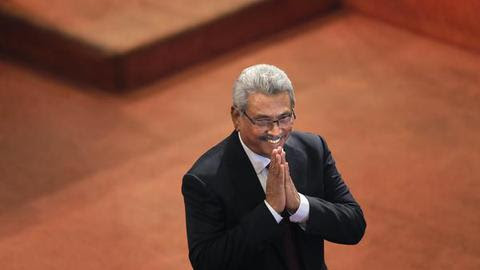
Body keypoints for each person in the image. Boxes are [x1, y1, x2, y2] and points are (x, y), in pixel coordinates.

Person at [182, 64, 366, 270]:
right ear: (236, 117)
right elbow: (207, 262)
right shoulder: (205, 180)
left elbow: (354, 225)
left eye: (284, 117)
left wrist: (299, 206)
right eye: (262, 120)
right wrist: (270, 212)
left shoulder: (313, 149)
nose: (275, 131)